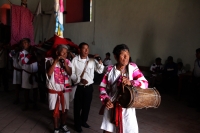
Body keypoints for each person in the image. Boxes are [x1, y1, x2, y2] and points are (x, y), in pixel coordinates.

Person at [99, 44, 148, 133]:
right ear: (115, 56)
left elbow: (145, 83)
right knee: (107, 131)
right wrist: (106, 100)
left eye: (127, 55)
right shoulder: (109, 70)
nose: (126, 58)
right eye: (123, 55)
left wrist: (131, 82)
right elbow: (102, 87)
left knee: (128, 130)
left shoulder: (132, 68)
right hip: (111, 104)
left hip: (127, 106)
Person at [71, 42, 104, 132]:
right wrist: (79, 80)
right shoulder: (74, 60)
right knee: (77, 107)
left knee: (87, 106)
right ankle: (77, 124)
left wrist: (99, 60)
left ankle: (83, 121)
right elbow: (72, 74)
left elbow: (100, 70)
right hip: (79, 87)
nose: (86, 50)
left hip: (89, 87)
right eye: (84, 48)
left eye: (87, 49)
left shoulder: (92, 60)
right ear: (79, 50)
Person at [46, 44, 72, 133]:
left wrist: (65, 64)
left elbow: (70, 73)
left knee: (65, 109)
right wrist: (55, 61)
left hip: (65, 89)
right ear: (57, 52)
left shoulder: (68, 62)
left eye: (66, 53)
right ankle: (56, 127)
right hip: (54, 89)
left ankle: (63, 125)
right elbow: (49, 73)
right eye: (63, 52)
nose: (64, 54)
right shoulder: (49, 61)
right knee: (55, 109)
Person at [19, 38, 38, 111]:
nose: (24, 44)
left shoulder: (34, 50)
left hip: (34, 73)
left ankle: (35, 105)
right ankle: (26, 105)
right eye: (23, 43)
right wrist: (30, 54)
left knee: (35, 89)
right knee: (26, 90)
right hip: (26, 73)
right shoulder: (22, 52)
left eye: (26, 43)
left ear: (29, 44)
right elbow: (24, 61)